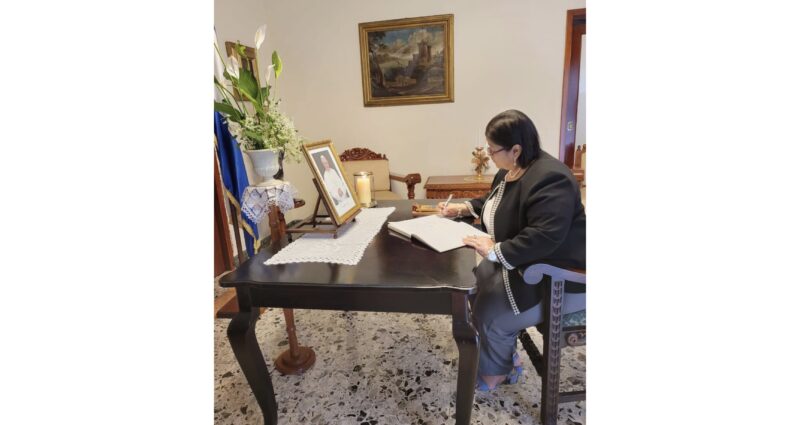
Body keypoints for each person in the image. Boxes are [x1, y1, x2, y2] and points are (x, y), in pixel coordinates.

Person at [437, 110, 586, 391]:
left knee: (492, 312)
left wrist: (496, 248)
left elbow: (545, 236)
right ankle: (504, 355)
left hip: (559, 274)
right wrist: (462, 208)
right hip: (528, 262)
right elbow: (493, 201)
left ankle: (497, 372)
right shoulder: (511, 170)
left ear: (515, 150)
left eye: (492, 150)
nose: (489, 155)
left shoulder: (552, 178)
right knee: (476, 282)